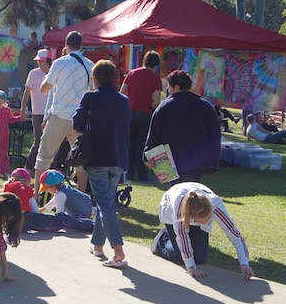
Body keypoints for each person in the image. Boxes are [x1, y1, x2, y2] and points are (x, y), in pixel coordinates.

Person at [73, 60, 130, 268]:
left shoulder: (90, 97)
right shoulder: (124, 101)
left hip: (96, 158)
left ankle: (118, 250)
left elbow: (76, 123)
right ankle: (97, 245)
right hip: (117, 159)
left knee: (105, 204)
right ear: (115, 78)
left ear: (95, 79)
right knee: (104, 201)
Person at [151, 182, 255, 280]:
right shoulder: (179, 207)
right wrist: (191, 268)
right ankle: (161, 240)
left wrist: (244, 263)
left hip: (195, 202)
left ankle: (173, 233)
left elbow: (236, 236)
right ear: (192, 216)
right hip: (170, 208)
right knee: (182, 258)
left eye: (208, 220)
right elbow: (182, 236)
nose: (204, 223)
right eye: (198, 221)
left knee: (200, 258)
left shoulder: (217, 208)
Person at [35, 31, 93, 195]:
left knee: (44, 157)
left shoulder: (59, 63)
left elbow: (44, 89)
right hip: (80, 118)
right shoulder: (90, 65)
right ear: (81, 46)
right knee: (80, 160)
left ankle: (36, 196)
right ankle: (83, 199)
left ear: (66, 45)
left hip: (59, 115)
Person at [144, 70, 221, 184]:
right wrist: (212, 159)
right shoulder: (205, 106)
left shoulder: (164, 107)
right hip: (197, 160)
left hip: (171, 160)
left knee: (176, 192)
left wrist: (147, 155)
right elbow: (215, 134)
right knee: (191, 191)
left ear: (176, 87)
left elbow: (154, 133)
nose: (168, 90)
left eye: (169, 87)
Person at [5, 168, 93, 233]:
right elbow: (37, 211)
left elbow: (57, 207)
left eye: (46, 189)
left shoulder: (7, 189)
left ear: (52, 186)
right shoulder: (27, 191)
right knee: (60, 220)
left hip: (10, 221)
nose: (47, 191)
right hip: (25, 218)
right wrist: (43, 214)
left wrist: (44, 209)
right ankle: (91, 225)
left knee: (57, 219)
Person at [120, 50, 162, 182]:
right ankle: (142, 173)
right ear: (156, 65)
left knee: (130, 144)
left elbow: (121, 93)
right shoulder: (156, 79)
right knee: (142, 145)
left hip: (129, 113)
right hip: (145, 114)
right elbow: (156, 102)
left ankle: (130, 171)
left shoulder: (132, 73)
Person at [20, 48, 52, 170]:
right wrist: (23, 108)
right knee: (38, 139)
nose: (39, 63)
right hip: (38, 113)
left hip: (52, 112)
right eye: (38, 60)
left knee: (51, 140)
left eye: (42, 61)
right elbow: (26, 92)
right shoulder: (33, 73)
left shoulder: (54, 73)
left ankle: (50, 167)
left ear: (48, 61)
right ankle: (28, 166)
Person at [0, 90, 21, 178]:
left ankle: (5, 170)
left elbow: (11, 119)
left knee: (4, 154)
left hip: (4, 136)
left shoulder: (6, 110)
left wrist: (20, 117)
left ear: (3, 101)